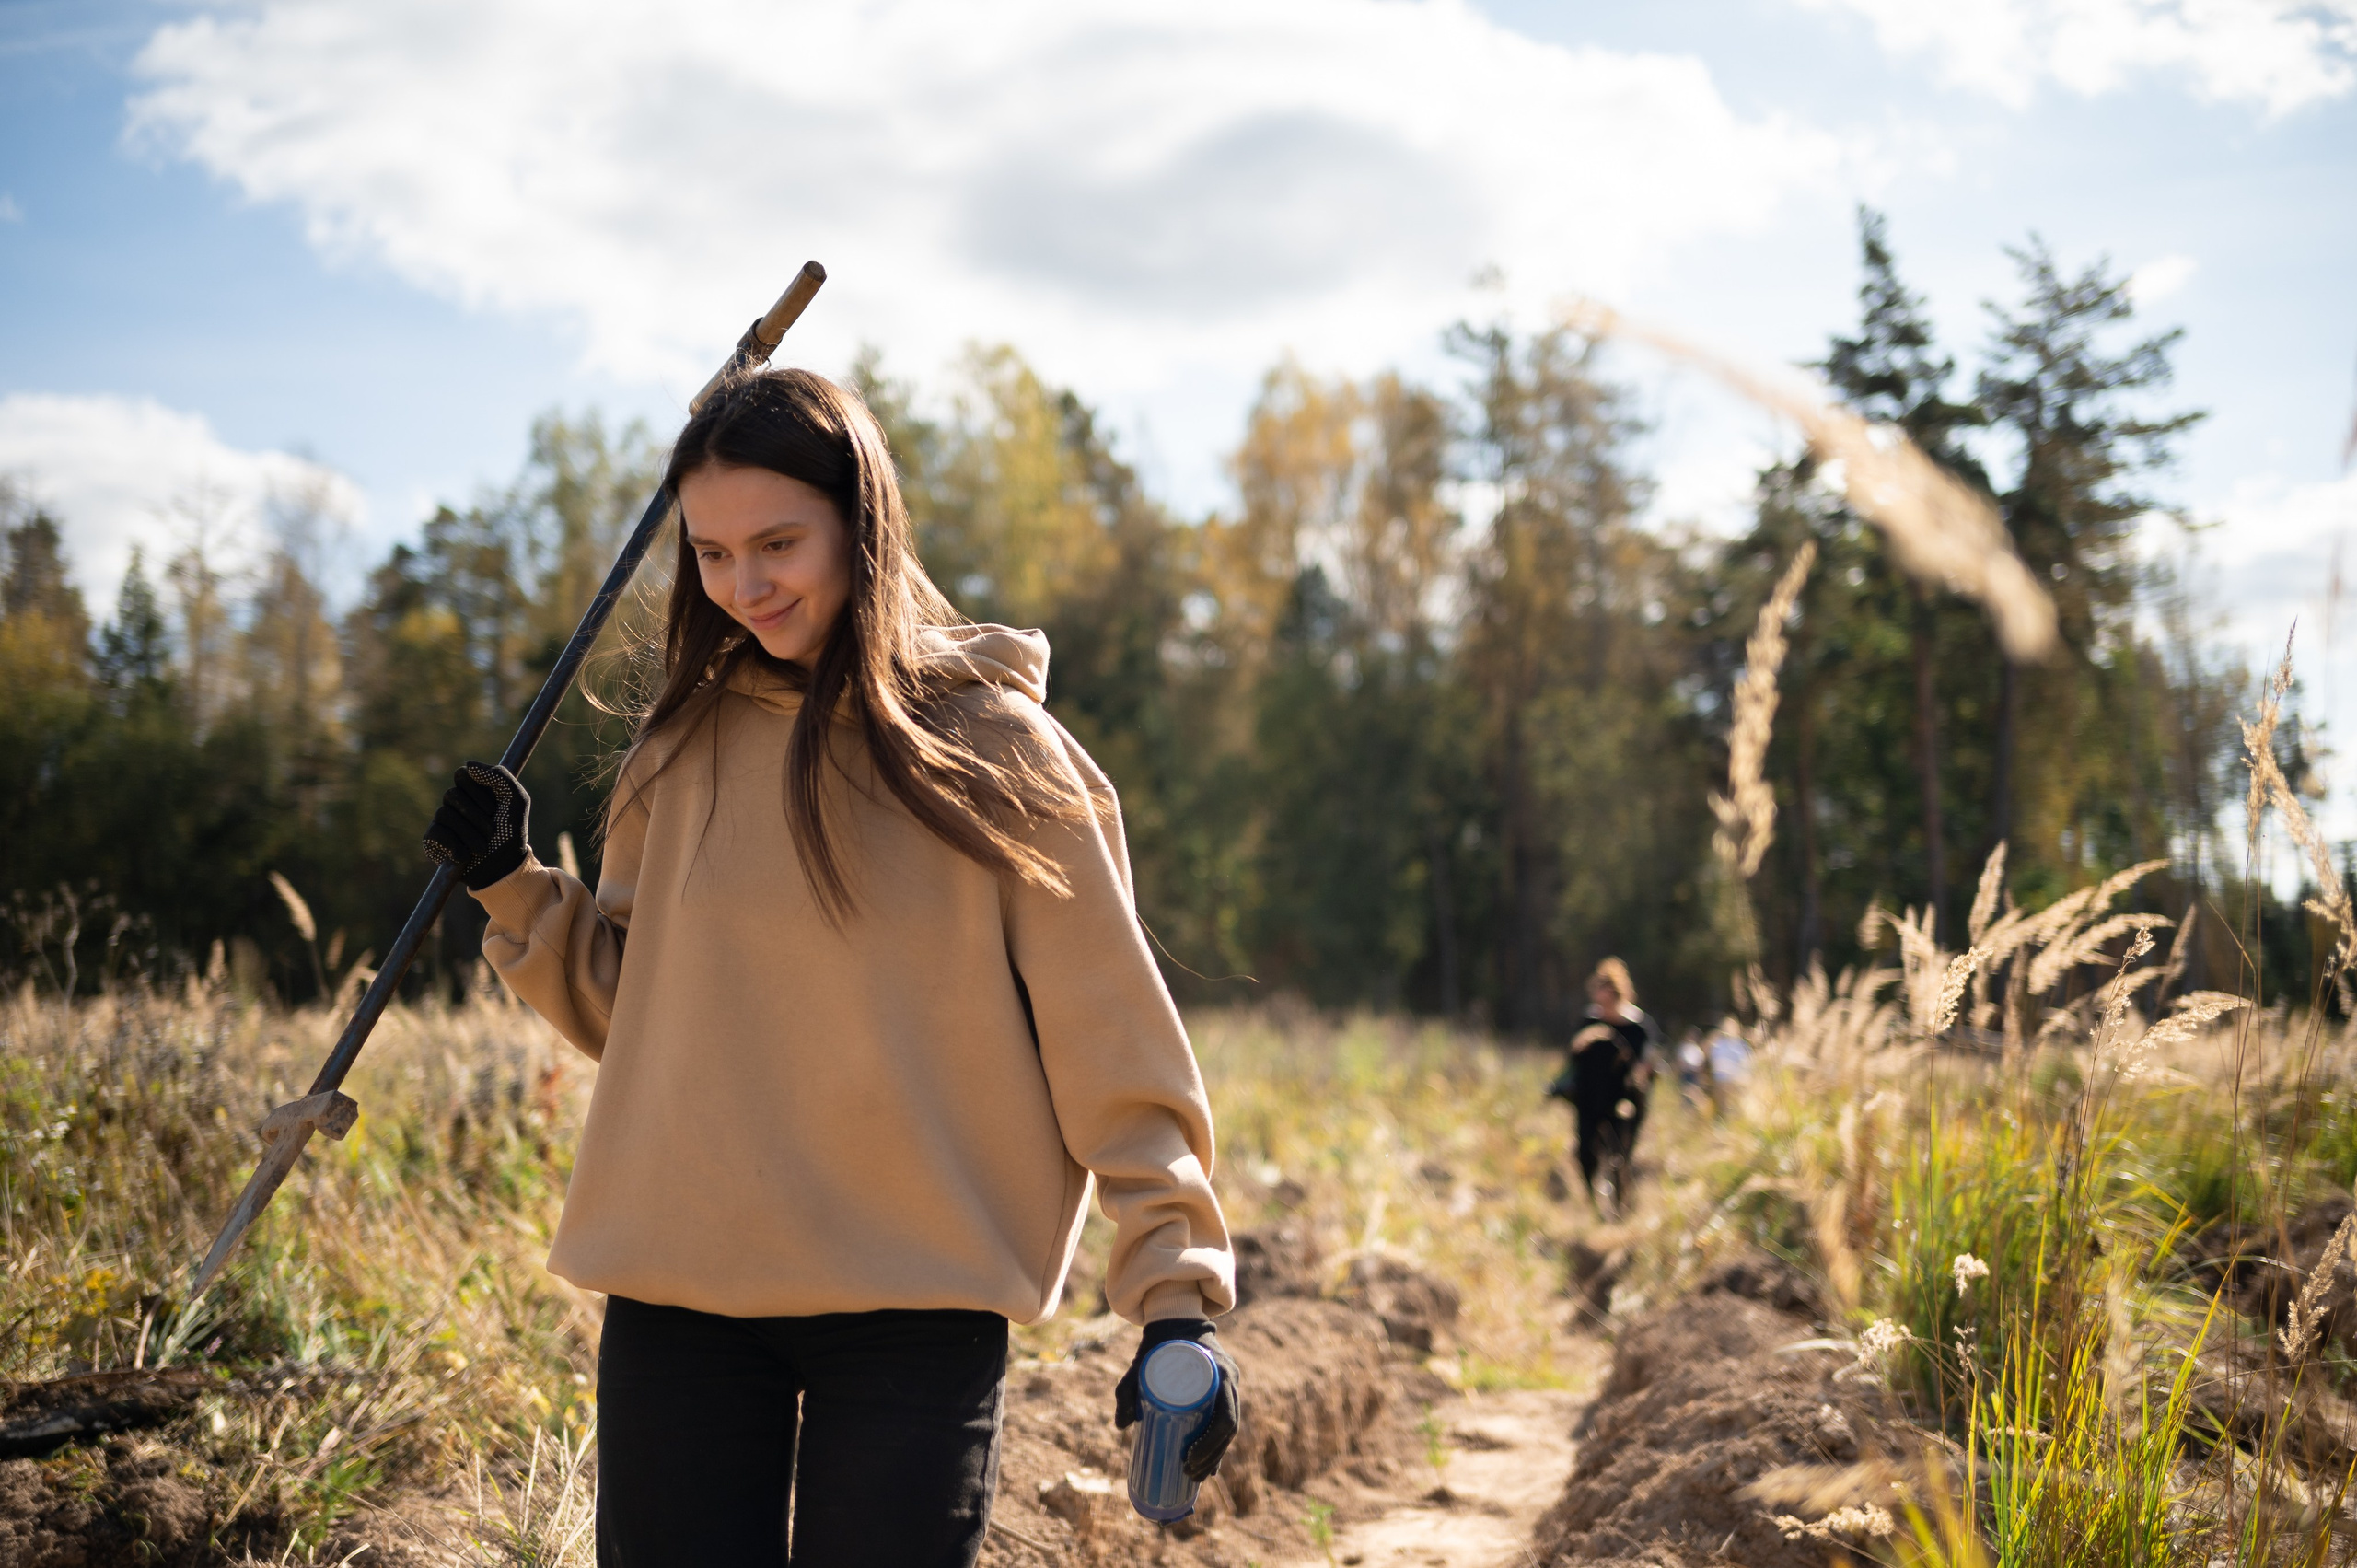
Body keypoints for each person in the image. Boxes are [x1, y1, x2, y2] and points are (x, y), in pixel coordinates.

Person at [422, 368, 1239, 1568]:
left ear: (864, 524)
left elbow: (1114, 1045)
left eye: (777, 542)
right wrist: (509, 881)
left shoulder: (1001, 756)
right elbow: (639, 1009)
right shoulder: (679, 749)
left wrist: (1177, 1295)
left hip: (912, 1308)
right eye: (708, 551)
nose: (743, 584)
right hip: (681, 1293)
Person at [1562, 958, 1659, 1218]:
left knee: (1620, 1154)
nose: (1597, 995)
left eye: (1602, 989)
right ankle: (1593, 1201)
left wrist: (1640, 1078)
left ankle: (1620, 1207)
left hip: (1624, 1101)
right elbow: (1573, 1057)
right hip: (1589, 1098)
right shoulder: (1589, 1022)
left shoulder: (1637, 1027)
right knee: (1586, 1150)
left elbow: (1648, 1064)